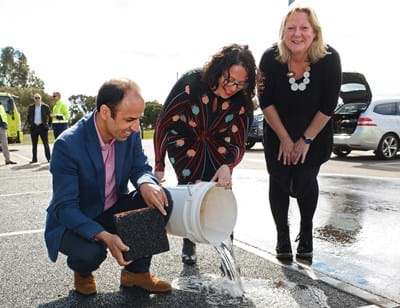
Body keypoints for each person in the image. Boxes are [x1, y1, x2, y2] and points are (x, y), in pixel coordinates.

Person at [45, 79, 173, 296]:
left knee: (160, 198)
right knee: (90, 253)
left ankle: (136, 273)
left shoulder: (129, 134)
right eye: (130, 119)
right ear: (105, 112)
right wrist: (104, 236)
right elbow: (65, 208)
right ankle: (82, 273)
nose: (136, 128)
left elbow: (140, 167)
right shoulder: (67, 145)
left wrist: (145, 183)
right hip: (77, 218)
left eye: (139, 119)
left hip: (111, 208)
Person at [154, 44, 257, 265]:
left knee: (221, 189)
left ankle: (226, 251)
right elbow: (163, 123)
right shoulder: (192, 82)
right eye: (229, 79)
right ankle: (189, 240)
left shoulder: (242, 101)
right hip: (185, 140)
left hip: (219, 143)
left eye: (240, 83)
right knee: (192, 187)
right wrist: (159, 164)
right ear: (219, 69)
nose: (232, 87)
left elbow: (239, 141)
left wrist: (228, 166)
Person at [258, 4, 342, 262]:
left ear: (314, 32)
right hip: (277, 130)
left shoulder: (329, 59)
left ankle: (306, 232)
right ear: (283, 32)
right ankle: (282, 235)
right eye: (291, 28)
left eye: (304, 28)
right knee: (279, 179)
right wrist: (284, 138)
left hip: (314, 133)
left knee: (306, 179)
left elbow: (329, 104)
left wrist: (305, 139)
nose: (297, 34)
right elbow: (265, 101)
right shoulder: (270, 58)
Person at [26, 93, 52, 163]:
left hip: (42, 127)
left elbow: (50, 117)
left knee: (46, 144)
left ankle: (49, 158)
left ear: (41, 99)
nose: (37, 99)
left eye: (38, 98)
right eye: (36, 98)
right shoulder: (31, 107)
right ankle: (34, 159)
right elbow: (28, 116)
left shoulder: (45, 107)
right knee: (34, 145)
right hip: (34, 127)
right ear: (34, 99)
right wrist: (30, 124)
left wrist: (48, 125)